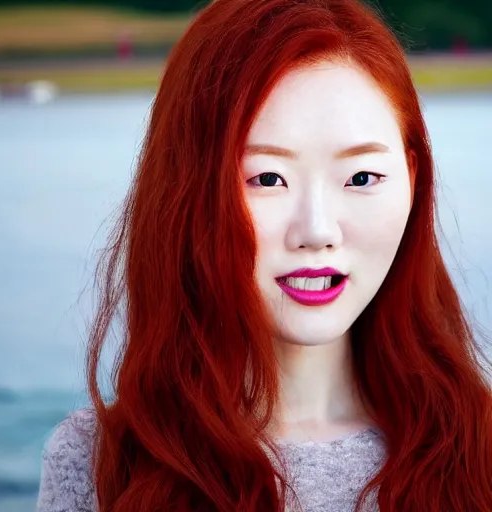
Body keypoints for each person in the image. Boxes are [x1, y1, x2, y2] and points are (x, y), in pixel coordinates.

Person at [36, 0, 492, 511]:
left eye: (361, 178)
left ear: (412, 179)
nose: (316, 231)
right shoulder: (99, 463)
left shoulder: (477, 449)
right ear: (187, 193)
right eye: (267, 179)